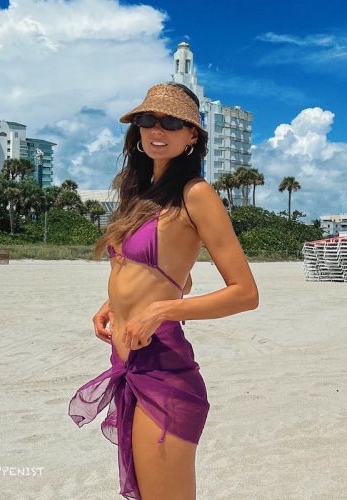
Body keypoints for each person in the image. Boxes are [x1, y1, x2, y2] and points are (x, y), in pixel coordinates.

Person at [68, 82, 259, 500]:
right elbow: (174, 275)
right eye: (147, 119)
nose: (157, 130)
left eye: (171, 123)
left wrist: (160, 311)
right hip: (126, 361)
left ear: (192, 136)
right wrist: (112, 303)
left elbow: (245, 293)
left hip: (164, 368)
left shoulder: (196, 194)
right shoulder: (138, 196)